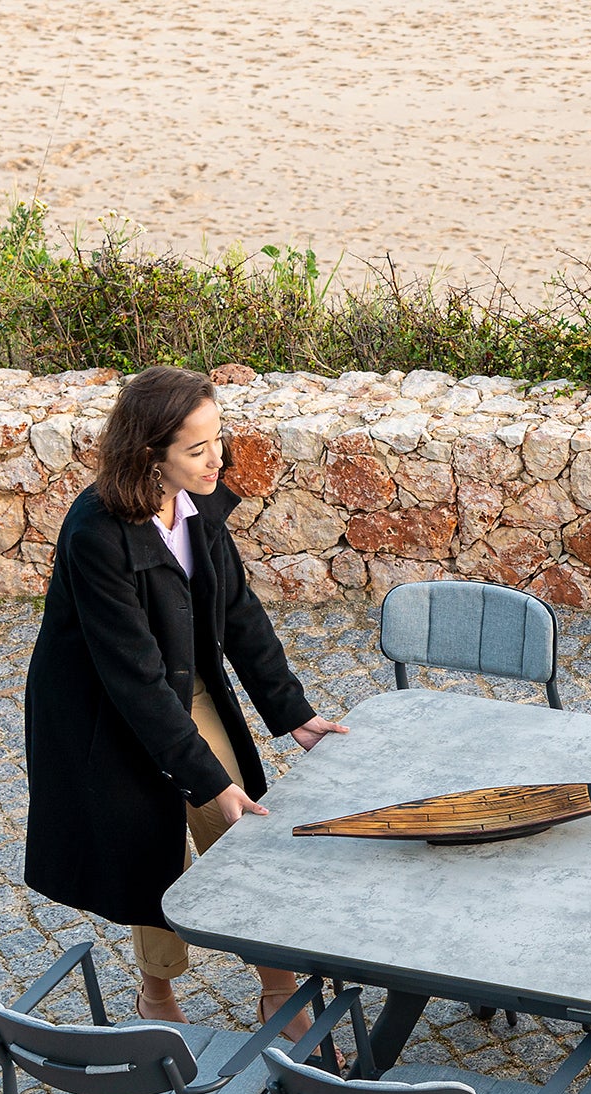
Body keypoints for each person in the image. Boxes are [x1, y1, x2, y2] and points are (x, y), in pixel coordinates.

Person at [21, 365, 347, 1028]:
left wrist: (294, 712)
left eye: (218, 439)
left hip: (179, 680)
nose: (217, 458)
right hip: (104, 708)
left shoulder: (197, 500)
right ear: (150, 454)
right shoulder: (95, 535)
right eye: (198, 449)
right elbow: (134, 681)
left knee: (235, 822)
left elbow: (239, 611)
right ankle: (158, 992)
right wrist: (203, 780)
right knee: (152, 846)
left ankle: (276, 986)